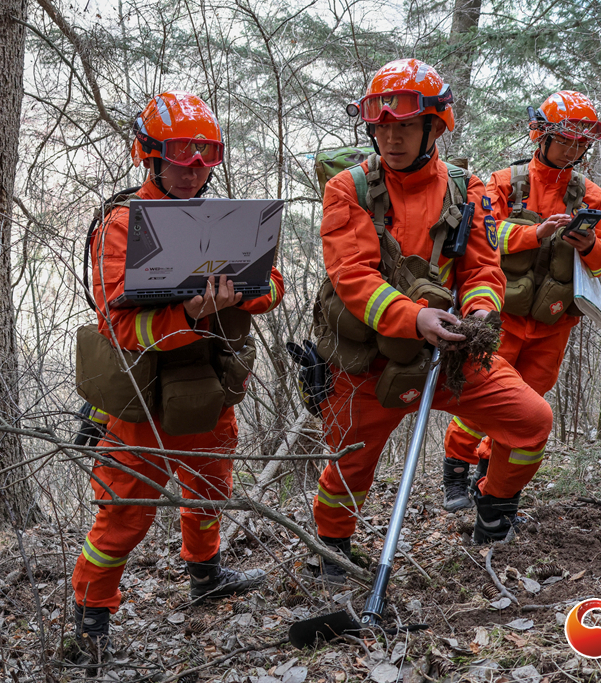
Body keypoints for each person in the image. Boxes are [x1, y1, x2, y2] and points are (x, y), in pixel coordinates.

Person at [310, 59, 554, 581]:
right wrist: (414, 318)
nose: (391, 139)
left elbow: (484, 268)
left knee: (531, 421)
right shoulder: (349, 189)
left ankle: (494, 509)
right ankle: (331, 551)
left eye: (404, 126)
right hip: (369, 360)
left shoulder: (470, 190)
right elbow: (352, 275)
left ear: (434, 127)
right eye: (382, 128)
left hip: (450, 350)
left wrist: (482, 312)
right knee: (349, 464)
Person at [71, 91, 285, 654]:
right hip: (142, 401)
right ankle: (91, 615)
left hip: (208, 388)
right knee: (124, 513)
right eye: (179, 156)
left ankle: (206, 576)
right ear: (150, 155)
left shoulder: (228, 219)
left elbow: (273, 285)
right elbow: (120, 327)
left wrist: (242, 293)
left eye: (204, 157)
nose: (192, 170)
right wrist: (188, 314)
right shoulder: (121, 225)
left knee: (209, 488)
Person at [441, 90, 601, 512]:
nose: (573, 150)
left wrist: (589, 244)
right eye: (566, 140)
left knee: (527, 405)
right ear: (541, 134)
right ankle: (456, 469)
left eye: (581, 142)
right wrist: (534, 234)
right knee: (481, 397)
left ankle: (491, 482)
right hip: (502, 316)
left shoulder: (592, 196)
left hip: (553, 323)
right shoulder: (504, 183)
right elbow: (483, 238)